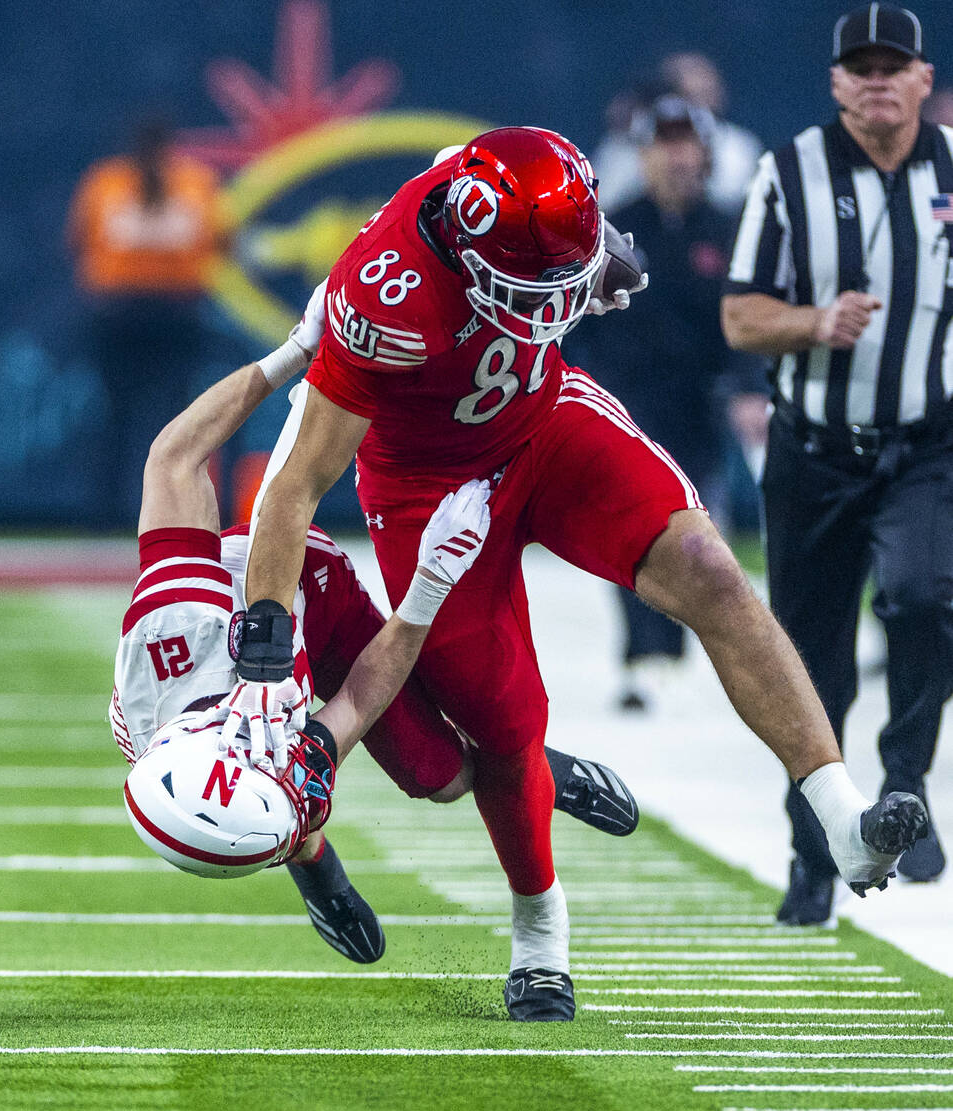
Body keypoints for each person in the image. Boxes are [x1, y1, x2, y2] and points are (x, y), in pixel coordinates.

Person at [232, 125, 926, 1021]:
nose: (551, 305)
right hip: (424, 486)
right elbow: (293, 486)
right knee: (498, 720)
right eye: (531, 289)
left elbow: (568, 257)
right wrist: (260, 658)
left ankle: (841, 822)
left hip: (542, 424)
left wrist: (591, 266)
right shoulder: (383, 295)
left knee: (708, 568)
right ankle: (538, 931)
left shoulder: (534, 194)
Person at [110, 287, 639, 965]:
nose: (273, 756)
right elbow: (356, 699)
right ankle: (316, 867)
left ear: (186, 741)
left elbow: (173, 458)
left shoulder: (172, 629)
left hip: (296, 587)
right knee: (438, 776)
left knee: (446, 751)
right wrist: (429, 585)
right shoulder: (267, 778)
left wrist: (292, 355)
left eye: (263, 766)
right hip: (280, 697)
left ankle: (528, 769)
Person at [723, 3, 949, 925]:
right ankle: (812, 852)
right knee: (808, 666)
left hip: (926, 445)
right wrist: (815, 322)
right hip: (812, 450)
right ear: (835, 84)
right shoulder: (789, 173)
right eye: (859, 67)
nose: (877, 80)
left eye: (893, 65)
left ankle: (906, 783)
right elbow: (740, 316)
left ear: (923, 79)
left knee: (927, 598)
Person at [570, 94, 768, 710]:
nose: (678, 157)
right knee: (625, 524)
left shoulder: (731, 230)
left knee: (693, 528)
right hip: (625, 405)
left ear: (706, 154)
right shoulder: (612, 229)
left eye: (689, 144)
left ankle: (675, 642)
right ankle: (642, 650)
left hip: (700, 407)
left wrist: (749, 387)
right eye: (666, 144)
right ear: (644, 154)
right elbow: (580, 321)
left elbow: (747, 320)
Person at [67, 116, 225, 528]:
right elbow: (79, 240)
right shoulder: (107, 182)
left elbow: (220, 241)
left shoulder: (194, 183)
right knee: (117, 413)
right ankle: (107, 515)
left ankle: (172, 516)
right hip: (123, 314)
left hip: (173, 314)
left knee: (176, 418)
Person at [594, 55, 763, 216]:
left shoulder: (737, 147)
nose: (678, 158)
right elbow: (602, 205)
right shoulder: (621, 151)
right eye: (667, 141)